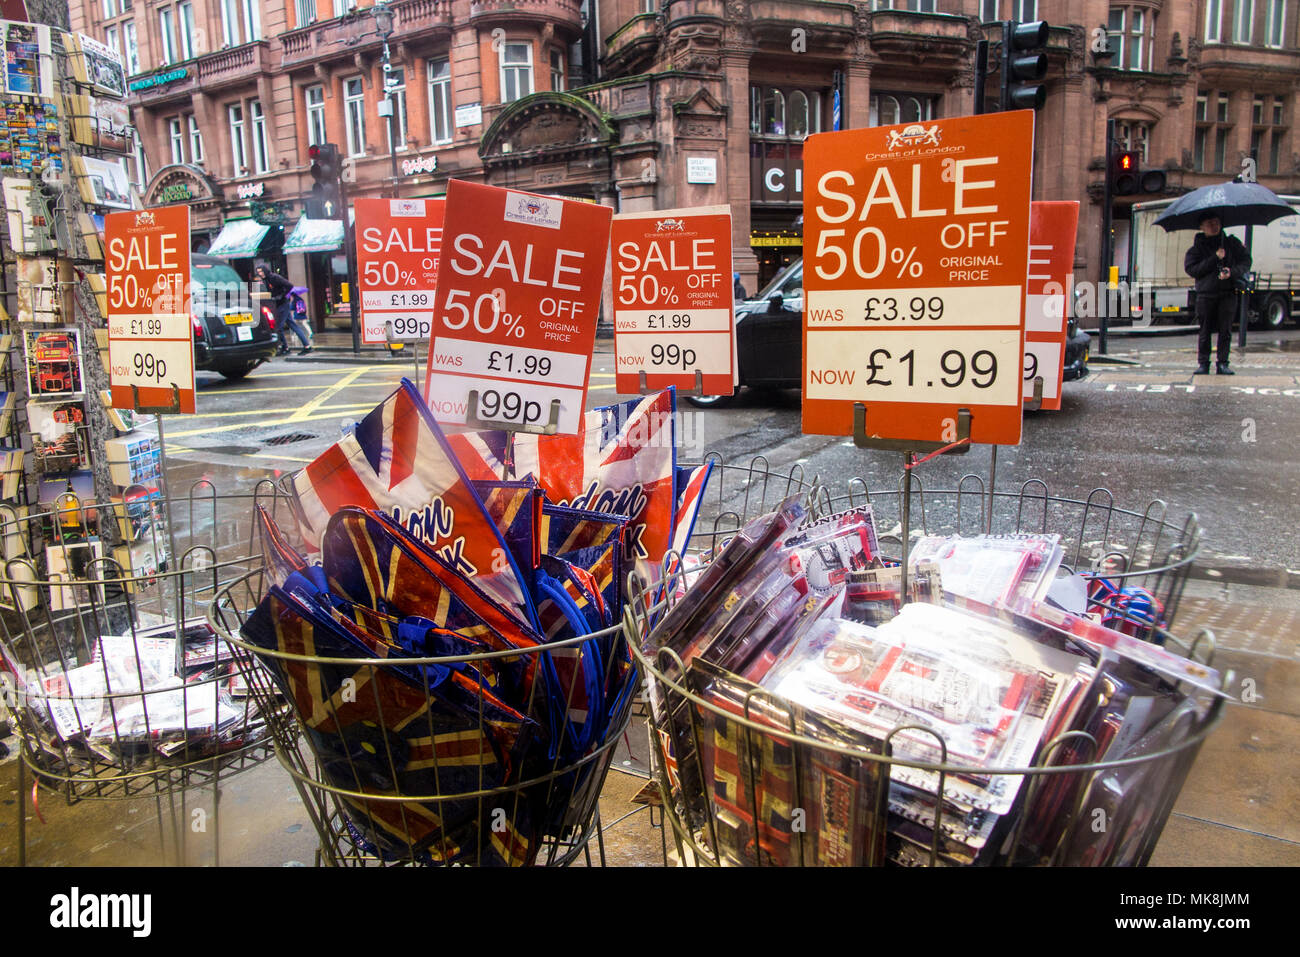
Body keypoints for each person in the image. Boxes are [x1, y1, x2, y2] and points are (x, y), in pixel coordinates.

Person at [1184, 210, 1250, 375]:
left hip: (1228, 293)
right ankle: (1203, 363)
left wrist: (1231, 271)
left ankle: (1223, 363)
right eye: (1209, 224)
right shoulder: (1197, 248)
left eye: (1216, 223)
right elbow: (1192, 269)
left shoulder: (1231, 243)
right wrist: (1215, 258)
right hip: (1206, 294)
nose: (1214, 226)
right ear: (1202, 227)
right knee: (1205, 330)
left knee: (1225, 330)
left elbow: (1246, 261)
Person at [257, 263, 311, 356]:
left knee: (279, 327)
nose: (260, 273)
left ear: (265, 270)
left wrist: (281, 296)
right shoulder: (265, 280)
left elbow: (289, 285)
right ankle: (306, 346)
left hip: (283, 303)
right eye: (258, 272)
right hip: (278, 304)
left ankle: (286, 347)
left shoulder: (274, 277)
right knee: (292, 325)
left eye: (261, 271)